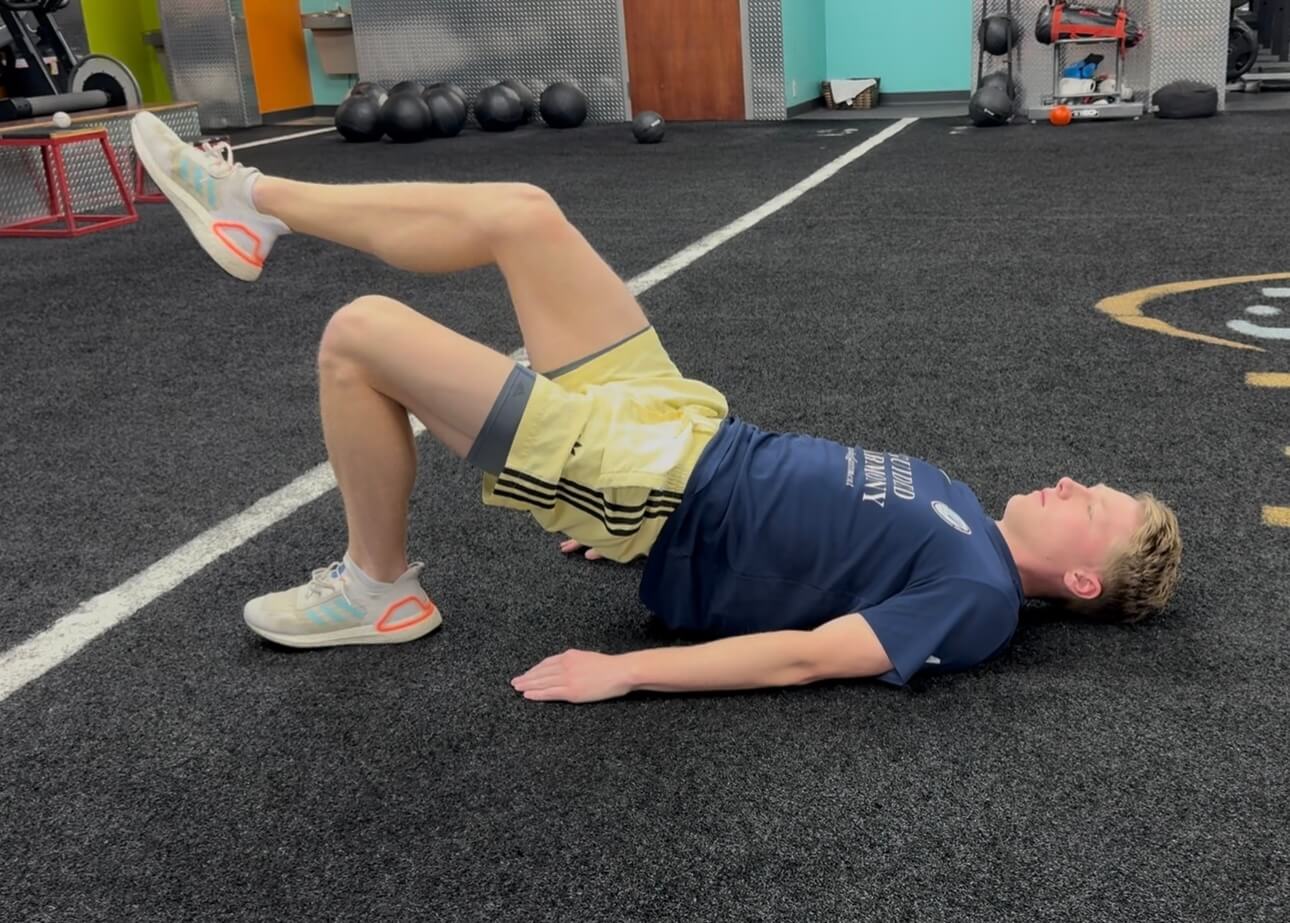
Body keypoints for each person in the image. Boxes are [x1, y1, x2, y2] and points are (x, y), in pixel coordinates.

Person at [129, 112, 1183, 704]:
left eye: (1098, 504)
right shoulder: (959, 508)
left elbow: (812, 652)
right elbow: (805, 552)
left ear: (1084, 575)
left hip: (652, 478)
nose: (1077, 481)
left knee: (358, 334)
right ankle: (253, 203)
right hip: (686, 426)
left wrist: (628, 670)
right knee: (524, 214)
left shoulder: (979, 596)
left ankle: (377, 585)